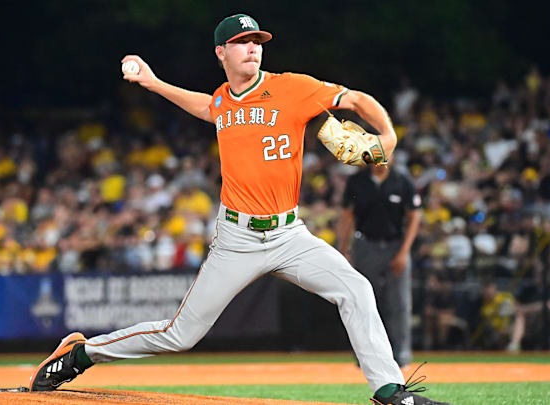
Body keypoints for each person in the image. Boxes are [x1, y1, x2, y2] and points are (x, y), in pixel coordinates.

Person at [28, 13, 449, 405]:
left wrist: (388, 134)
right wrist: (154, 84)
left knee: (355, 289)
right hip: (237, 239)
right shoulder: (224, 101)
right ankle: (82, 354)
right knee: (180, 335)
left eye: (256, 41)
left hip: (290, 235)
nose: (252, 47)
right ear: (221, 53)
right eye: (241, 41)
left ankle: (391, 391)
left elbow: (355, 100)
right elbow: (207, 106)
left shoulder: (292, 88)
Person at [337, 158, 423, 366]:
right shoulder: (357, 181)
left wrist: (404, 252)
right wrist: (344, 249)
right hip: (365, 244)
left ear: (393, 156)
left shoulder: (402, 181)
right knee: (363, 301)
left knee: (400, 302)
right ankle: (365, 355)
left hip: (395, 245)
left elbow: (414, 216)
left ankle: (401, 355)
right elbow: (347, 216)